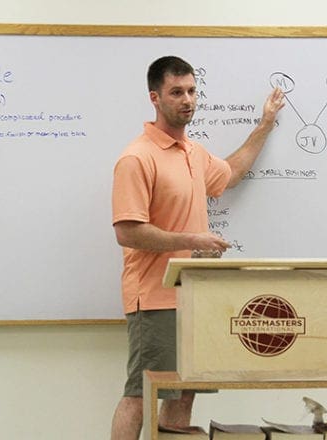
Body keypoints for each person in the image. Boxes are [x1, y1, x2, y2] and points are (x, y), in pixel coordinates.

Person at [110, 55, 284, 440]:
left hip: (194, 298)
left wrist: (265, 125)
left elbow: (232, 173)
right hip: (153, 299)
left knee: (185, 393)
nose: (187, 100)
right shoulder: (136, 158)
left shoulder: (193, 153)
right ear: (155, 97)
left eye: (191, 91)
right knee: (140, 395)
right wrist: (192, 241)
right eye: (176, 92)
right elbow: (128, 231)